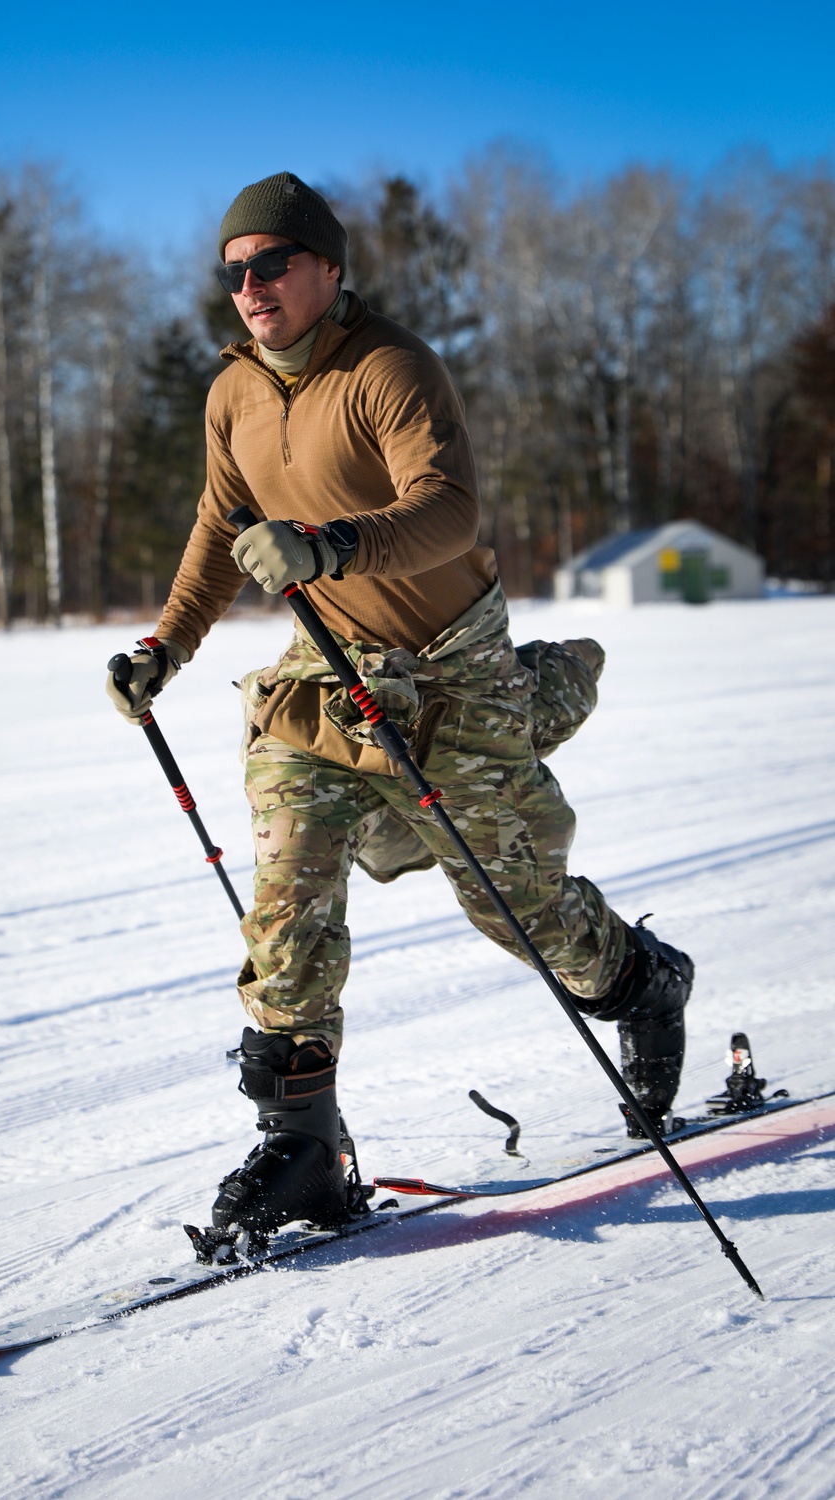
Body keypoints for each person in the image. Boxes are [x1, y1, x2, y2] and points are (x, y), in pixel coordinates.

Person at [106, 171, 694, 1243]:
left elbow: (448, 513)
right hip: (325, 672)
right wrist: (163, 648)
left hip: (448, 671)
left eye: (271, 263)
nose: (249, 285)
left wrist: (330, 545)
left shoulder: (389, 367)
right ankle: (304, 1148)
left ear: (328, 269)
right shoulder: (232, 390)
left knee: (510, 902)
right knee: (284, 892)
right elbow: (216, 527)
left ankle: (640, 982)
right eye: (233, 269)